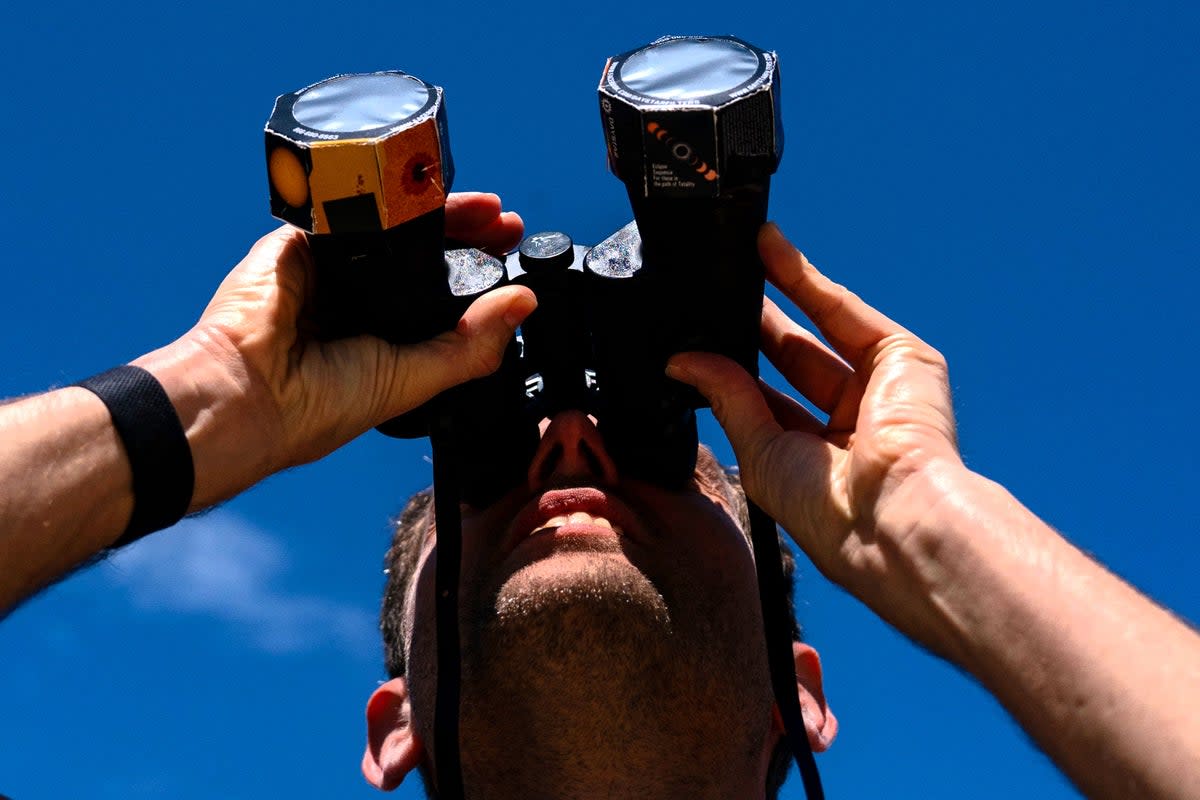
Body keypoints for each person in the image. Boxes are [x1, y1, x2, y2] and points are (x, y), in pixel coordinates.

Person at [1, 193, 1198, 799]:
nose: (570, 442)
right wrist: (199, 406)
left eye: (661, 457)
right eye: (478, 478)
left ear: (801, 693)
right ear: (392, 724)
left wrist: (923, 516)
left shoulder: (914, 534)